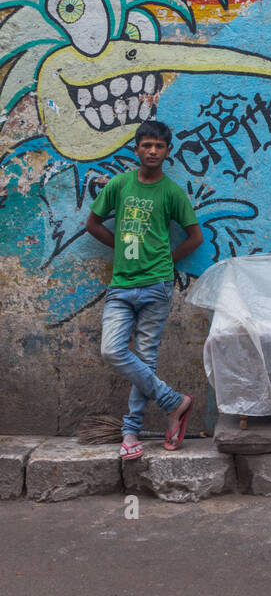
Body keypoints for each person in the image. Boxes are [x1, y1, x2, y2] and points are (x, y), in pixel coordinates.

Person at [85, 120, 203, 459]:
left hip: (157, 286)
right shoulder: (120, 185)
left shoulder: (171, 192)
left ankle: (130, 432)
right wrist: (118, 249)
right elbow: (92, 224)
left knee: (146, 359)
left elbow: (195, 237)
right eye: (146, 145)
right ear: (136, 149)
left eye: (159, 146)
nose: (152, 151)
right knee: (112, 350)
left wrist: (167, 259)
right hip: (122, 285)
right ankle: (174, 402)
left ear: (168, 152)